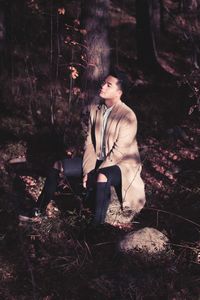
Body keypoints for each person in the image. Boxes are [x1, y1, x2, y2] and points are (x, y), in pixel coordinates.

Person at [32, 68, 146, 225]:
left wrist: (95, 173)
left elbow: (119, 152)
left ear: (119, 92)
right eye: (103, 83)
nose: (103, 87)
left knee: (102, 176)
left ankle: (95, 228)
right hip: (98, 160)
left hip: (122, 165)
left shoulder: (128, 116)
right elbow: (90, 144)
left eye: (108, 85)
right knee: (57, 165)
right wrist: (88, 170)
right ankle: (38, 212)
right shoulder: (96, 110)